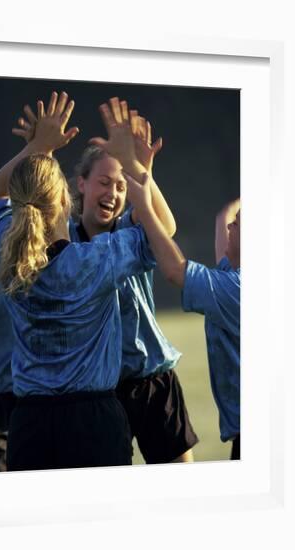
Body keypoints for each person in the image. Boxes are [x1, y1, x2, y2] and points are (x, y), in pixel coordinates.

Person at [9, 95, 198, 464]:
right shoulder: (71, 246)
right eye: (104, 182)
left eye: (122, 186)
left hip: (149, 374)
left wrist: (144, 172)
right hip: (103, 388)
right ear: (79, 184)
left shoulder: (126, 228)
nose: (112, 193)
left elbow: (166, 226)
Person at [0, 92, 159, 471]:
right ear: (66, 199)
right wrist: (135, 167)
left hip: (29, 422)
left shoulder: (4, 250)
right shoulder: (97, 259)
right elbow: (159, 231)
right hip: (93, 422)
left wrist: (37, 147)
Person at [117, 133, 241, 460]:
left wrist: (143, 203)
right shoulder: (234, 273)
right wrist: (144, 169)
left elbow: (174, 270)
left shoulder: (238, 292)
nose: (230, 227)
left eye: (239, 226)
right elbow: (224, 216)